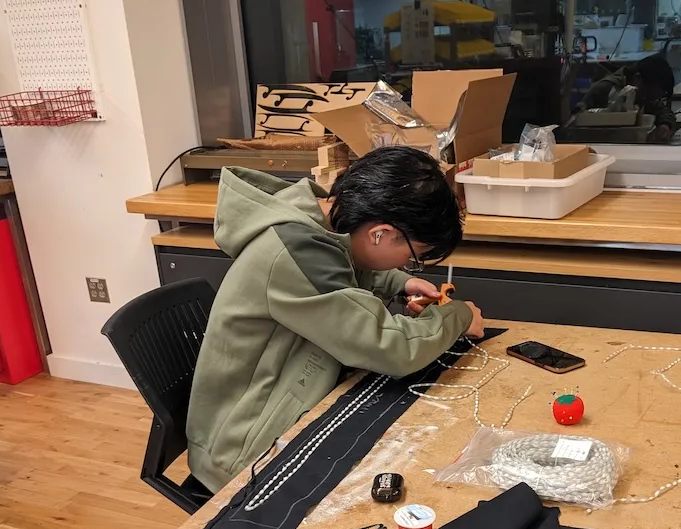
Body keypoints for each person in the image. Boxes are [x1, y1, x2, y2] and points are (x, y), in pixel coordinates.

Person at [186, 146, 484, 492]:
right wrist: (458, 316)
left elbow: (339, 268)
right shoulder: (296, 251)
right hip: (245, 451)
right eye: (414, 257)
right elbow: (392, 347)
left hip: (277, 407)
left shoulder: (316, 222)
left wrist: (401, 282)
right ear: (380, 233)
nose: (410, 265)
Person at [582, 53, 678, 142]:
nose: (649, 99)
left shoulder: (643, 93)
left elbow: (662, 110)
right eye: (650, 95)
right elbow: (577, 124)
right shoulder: (604, 90)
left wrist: (665, 125)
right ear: (637, 79)